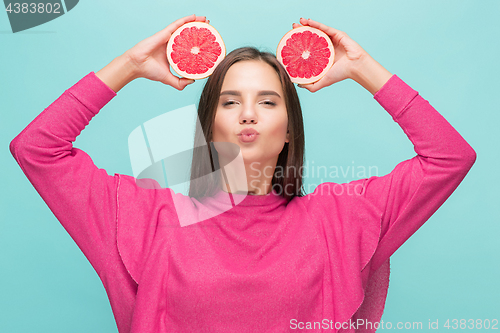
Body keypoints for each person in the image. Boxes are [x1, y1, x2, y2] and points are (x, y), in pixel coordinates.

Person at [9, 14, 476, 333]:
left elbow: (449, 158)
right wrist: (129, 66)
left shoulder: (341, 216)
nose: (248, 114)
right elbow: (36, 150)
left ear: (289, 129)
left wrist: (362, 68)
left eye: (267, 102)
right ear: (209, 124)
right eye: (230, 102)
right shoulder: (145, 215)